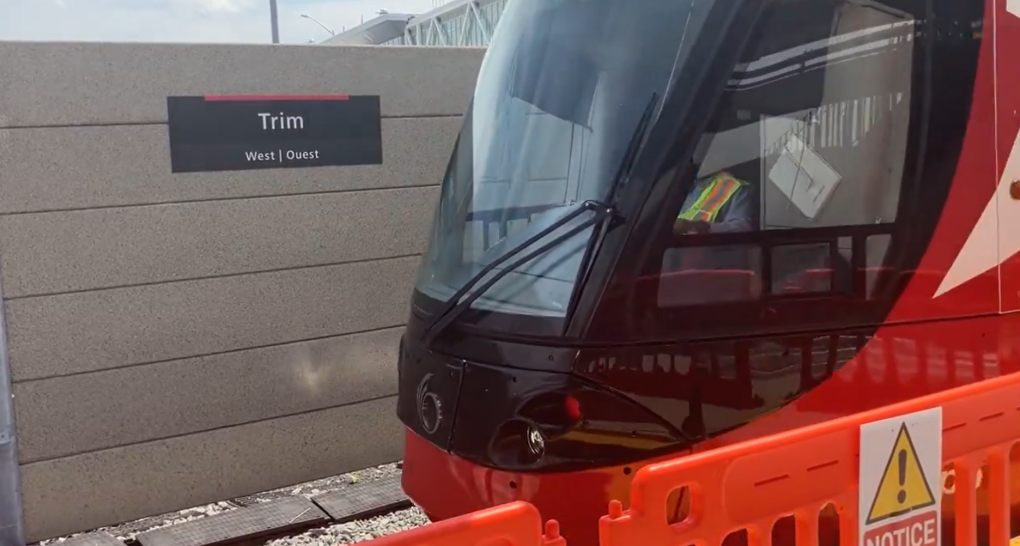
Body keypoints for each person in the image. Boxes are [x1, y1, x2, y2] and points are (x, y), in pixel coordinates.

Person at [673, 170, 753, 235]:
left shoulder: (731, 186)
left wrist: (695, 226)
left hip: (708, 250)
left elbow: (742, 228)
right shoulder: (673, 184)